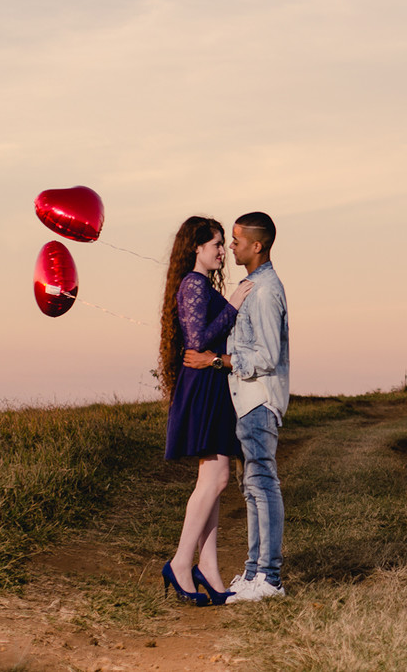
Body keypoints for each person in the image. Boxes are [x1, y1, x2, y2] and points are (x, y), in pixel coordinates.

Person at [186, 211, 289, 603]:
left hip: (259, 397)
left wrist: (215, 361)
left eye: (236, 240)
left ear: (256, 245)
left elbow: (264, 356)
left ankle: (271, 578)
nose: (231, 246)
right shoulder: (251, 285)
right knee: (252, 488)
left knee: (263, 485)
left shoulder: (264, 291)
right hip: (244, 400)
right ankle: (252, 572)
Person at [158, 216, 253, 606]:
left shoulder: (198, 284)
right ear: (195, 248)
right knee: (212, 481)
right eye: (215, 244)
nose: (222, 251)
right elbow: (198, 339)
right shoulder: (194, 284)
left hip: (212, 385)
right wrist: (233, 303)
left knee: (217, 480)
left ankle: (208, 568)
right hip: (203, 386)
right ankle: (181, 562)